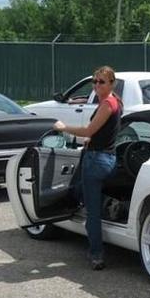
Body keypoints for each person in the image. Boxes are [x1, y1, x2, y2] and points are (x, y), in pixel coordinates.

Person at [53, 66, 122, 270]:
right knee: (79, 190)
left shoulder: (107, 104)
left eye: (101, 82)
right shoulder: (116, 101)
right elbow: (104, 131)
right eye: (94, 81)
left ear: (111, 83)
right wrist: (90, 139)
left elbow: (88, 129)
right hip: (108, 158)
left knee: (91, 211)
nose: (96, 85)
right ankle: (109, 204)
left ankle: (96, 255)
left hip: (96, 160)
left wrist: (63, 128)